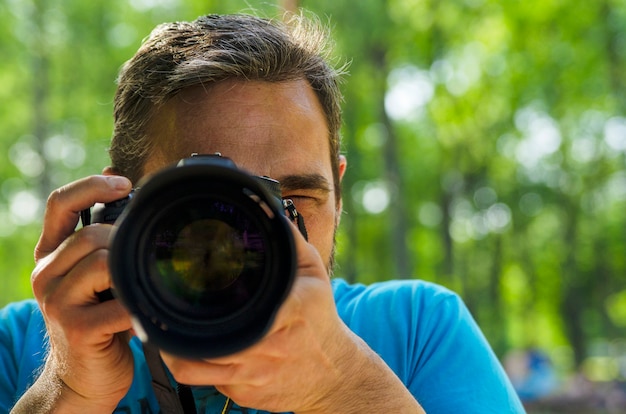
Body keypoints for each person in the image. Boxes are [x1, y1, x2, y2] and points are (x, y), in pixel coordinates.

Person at [0, 12, 525, 413]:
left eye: (290, 201)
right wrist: (66, 391)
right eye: (203, 206)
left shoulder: (414, 329)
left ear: (338, 194)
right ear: (119, 203)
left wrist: (343, 384)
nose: (239, 239)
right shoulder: (24, 343)